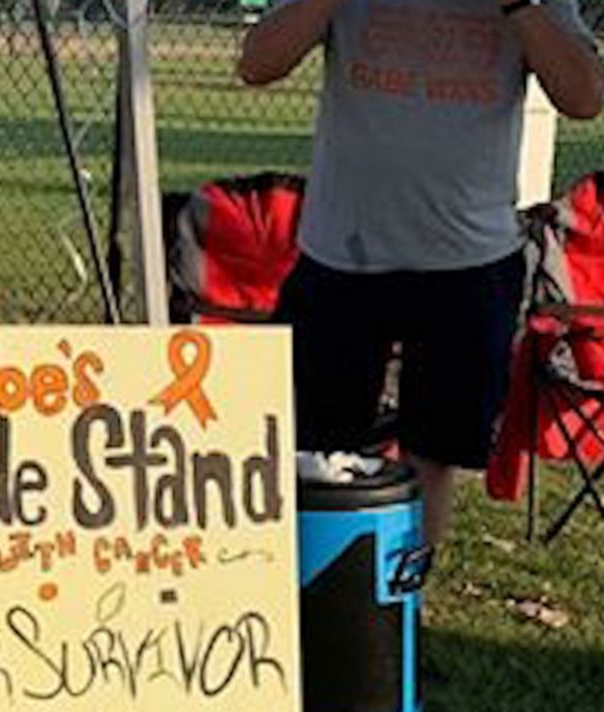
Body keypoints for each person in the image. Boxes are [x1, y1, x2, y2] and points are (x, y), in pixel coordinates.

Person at [237, 0, 603, 544]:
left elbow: (584, 98)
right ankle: (315, 597)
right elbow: (257, 63)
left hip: (468, 258)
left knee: (434, 455)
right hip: (343, 253)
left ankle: (401, 601)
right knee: (312, 450)